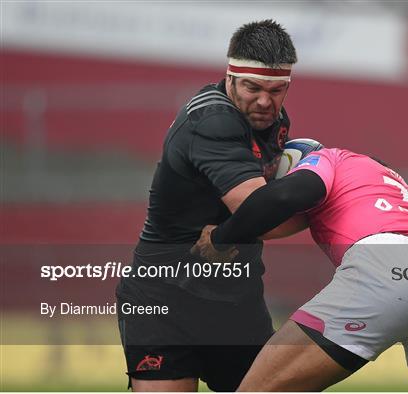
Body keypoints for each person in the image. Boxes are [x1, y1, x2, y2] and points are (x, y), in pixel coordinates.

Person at [192, 147, 408, 392]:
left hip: (387, 264)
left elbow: (287, 196)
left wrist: (221, 237)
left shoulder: (327, 157)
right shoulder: (384, 180)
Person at [115, 20, 297, 392]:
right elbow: (261, 217)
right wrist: (329, 198)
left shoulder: (275, 122)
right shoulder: (212, 120)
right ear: (230, 77)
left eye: (277, 90)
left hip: (236, 299)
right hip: (165, 296)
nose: (265, 101)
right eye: (253, 87)